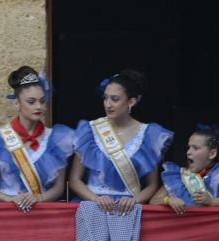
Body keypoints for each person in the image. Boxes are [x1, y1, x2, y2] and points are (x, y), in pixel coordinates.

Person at [68, 70, 173, 214]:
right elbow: (74, 180)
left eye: (115, 99)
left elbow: (152, 185)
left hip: (128, 208)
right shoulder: (90, 130)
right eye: (105, 98)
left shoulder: (149, 135)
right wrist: (95, 198)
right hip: (93, 206)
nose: (108, 104)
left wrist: (134, 200)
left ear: (131, 101)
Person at [0, 67, 75, 212]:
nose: (38, 106)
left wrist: (38, 198)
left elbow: (59, 187)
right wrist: (9, 198)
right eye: (31, 102)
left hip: (42, 211)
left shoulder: (56, 139)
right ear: (17, 103)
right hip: (6, 210)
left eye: (42, 101)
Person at [158, 125, 219, 213]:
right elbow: (154, 200)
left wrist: (212, 201)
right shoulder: (178, 176)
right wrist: (168, 200)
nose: (188, 152)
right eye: (188, 147)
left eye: (195, 148)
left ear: (212, 154)